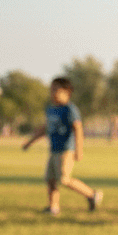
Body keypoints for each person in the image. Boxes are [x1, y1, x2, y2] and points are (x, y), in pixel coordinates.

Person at [22, 77, 102, 215]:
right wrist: (30, 142)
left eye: (56, 89)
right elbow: (45, 129)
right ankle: (53, 207)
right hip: (54, 150)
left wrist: (79, 150)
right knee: (50, 180)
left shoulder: (70, 109)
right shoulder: (51, 109)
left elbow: (78, 129)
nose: (53, 92)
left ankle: (91, 194)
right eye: (51, 89)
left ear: (67, 92)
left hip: (66, 150)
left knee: (64, 179)